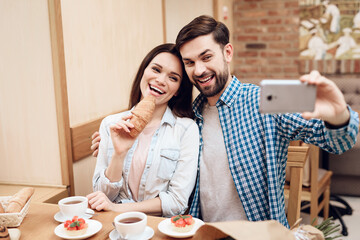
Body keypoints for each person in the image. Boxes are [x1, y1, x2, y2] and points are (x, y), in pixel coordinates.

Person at [91, 16, 359, 228]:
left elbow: (339, 142)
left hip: (257, 233)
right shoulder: (191, 112)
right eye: (190, 62)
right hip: (200, 230)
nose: (200, 70)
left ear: (227, 52)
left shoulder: (268, 96)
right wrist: (113, 146)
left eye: (207, 57)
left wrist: (339, 116)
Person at [87, 43, 199, 218]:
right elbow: (103, 196)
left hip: (159, 229)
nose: (161, 80)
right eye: (156, 69)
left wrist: (116, 208)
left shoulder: (186, 130)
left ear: (178, 90)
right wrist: (119, 153)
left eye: (173, 78)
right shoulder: (111, 124)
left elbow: (177, 201)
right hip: (116, 227)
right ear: (143, 72)